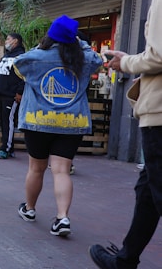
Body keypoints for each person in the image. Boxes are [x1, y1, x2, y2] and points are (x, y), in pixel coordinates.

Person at [89, 0, 162, 267]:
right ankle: (125, 260)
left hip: (159, 114)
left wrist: (125, 62)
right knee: (147, 190)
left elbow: (159, 57)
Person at [13, 15, 102, 237]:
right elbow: (98, 59)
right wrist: (80, 43)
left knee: (36, 168)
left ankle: (30, 209)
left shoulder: (35, 58)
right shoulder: (84, 59)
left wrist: (42, 46)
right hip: (72, 122)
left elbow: (18, 63)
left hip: (38, 121)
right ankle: (62, 217)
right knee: (62, 170)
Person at [0, 33, 25, 159]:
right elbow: (0, 76)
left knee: (9, 122)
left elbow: (25, 76)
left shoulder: (21, 56)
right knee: (4, 122)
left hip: (12, 95)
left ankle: (6, 148)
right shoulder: (6, 55)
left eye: (8, 39)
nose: (6, 41)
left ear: (15, 41)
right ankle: (8, 147)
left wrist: (20, 92)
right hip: (2, 94)